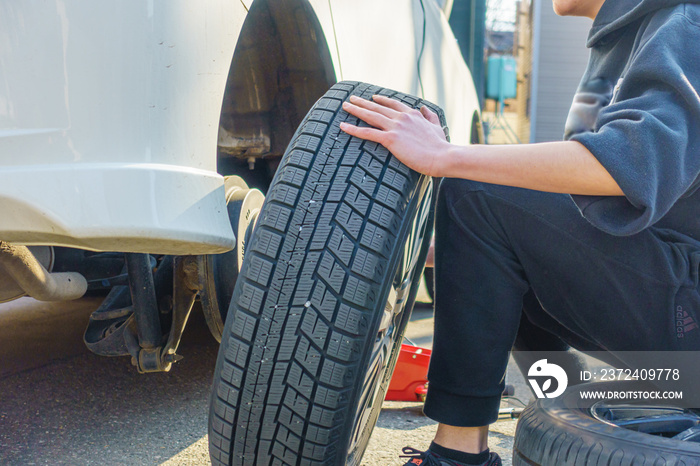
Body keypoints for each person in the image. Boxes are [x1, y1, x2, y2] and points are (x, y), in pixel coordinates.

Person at [341, 0, 700, 464]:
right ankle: (562, 399)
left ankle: (458, 456)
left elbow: (630, 166)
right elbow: (573, 210)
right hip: (676, 343)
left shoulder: (685, 22)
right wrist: (458, 248)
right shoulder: (620, 38)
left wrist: (446, 156)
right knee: (490, 216)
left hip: (687, 338)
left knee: (478, 189)